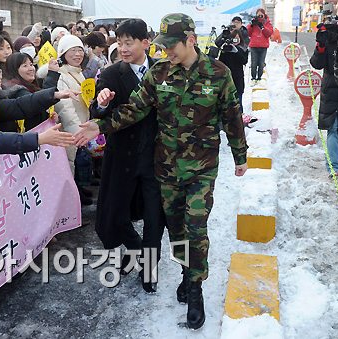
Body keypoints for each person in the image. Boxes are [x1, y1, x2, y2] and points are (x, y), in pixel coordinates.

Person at [75, 13, 248, 330]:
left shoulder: (218, 73)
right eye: (163, 46)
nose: (166, 51)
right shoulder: (159, 73)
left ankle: (195, 290)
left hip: (201, 167)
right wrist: (99, 125)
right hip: (166, 167)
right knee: (177, 230)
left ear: (190, 41)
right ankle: (185, 272)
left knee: (196, 227)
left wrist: (240, 155)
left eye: (172, 46)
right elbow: (134, 109)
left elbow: (233, 116)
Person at [89, 18, 166, 294]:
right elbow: (96, 110)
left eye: (128, 42)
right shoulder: (110, 74)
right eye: (119, 43)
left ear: (146, 43)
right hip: (122, 156)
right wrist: (101, 103)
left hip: (157, 157)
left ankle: (149, 268)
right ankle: (134, 249)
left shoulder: (163, 71)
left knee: (154, 217)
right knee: (114, 213)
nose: (122, 48)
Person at [53, 35, 92, 205]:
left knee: (75, 164)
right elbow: (64, 107)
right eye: (73, 50)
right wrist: (78, 130)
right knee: (69, 165)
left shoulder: (77, 73)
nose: (78, 54)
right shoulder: (62, 75)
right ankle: (70, 204)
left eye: (80, 50)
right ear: (62, 53)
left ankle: (77, 196)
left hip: (80, 126)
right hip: (70, 130)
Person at [311, 23, 338, 177]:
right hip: (331, 89)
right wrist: (321, 46)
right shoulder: (330, 36)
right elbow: (316, 63)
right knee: (333, 128)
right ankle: (334, 168)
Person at [3, 52, 61, 131]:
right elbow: (39, 106)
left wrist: (51, 117)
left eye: (31, 64)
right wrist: (52, 75)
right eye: (25, 66)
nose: (31, 68)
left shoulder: (31, 87)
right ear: (14, 70)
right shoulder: (18, 92)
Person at [215, 29, 249, 111]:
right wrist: (224, 50)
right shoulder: (226, 50)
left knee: (239, 102)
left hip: (238, 80)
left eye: (237, 38)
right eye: (233, 38)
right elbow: (220, 63)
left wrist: (236, 51)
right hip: (226, 80)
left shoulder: (243, 49)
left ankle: (240, 119)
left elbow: (244, 61)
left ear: (240, 38)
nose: (235, 41)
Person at [247, 8, 273, 85]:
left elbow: (268, 34)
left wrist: (262, 27)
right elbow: (248, 33)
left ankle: (259, 78)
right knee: (254, 63)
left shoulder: (267, 23)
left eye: (261, 15)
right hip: (254, 46)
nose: (260, 17)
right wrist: (252, 25)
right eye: (259, 15)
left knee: (261, 63)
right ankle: (253, 78)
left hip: (263, 46)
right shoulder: (254, 22)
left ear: (264, 15)